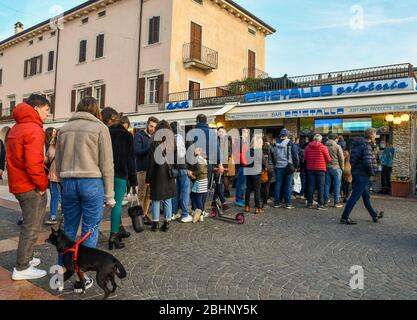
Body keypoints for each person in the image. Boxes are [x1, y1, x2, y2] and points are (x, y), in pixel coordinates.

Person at [55, 96, 115, 292]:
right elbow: (107, 165)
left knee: (68, 230)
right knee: (90, 229)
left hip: (69, 182)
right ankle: (83, 277)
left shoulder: (64, 129)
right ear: (96, 110)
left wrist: (64, 182)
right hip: (91, 181)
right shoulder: (100, 128)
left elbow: (58, 162)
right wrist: (110, 194)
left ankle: (61, 274)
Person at [7, 94, 49, 281]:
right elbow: (33, 163)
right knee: (31, 226)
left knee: (30, 224)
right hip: (29, 185)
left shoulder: (17, 127)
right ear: (37, 108)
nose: (48, 114)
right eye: (47, 109)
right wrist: (42, 184)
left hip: (18, 183)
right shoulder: (34, 129)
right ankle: (22, 267)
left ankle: (28, 258)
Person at [106, 109, 138, 250]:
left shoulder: (105, 132)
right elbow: (131, 160)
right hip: (120, 174)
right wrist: (134, 181)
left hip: (104, 173)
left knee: (111, 204)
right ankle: (113, 235)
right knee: (117, 204)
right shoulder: (126, 135)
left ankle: (117, 229)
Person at [340, 128, 384, 225]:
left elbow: (352, 161)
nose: (376, 136)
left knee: (366, 197)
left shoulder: (356, 146)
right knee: (354, 197)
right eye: (375, 134)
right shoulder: (366, 146)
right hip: (362, 175)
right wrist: (371, 172)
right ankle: (344, 217)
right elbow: (367, 162)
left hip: (356, 173)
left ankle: (374, 215)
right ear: (371, 135)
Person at [146, 120, 176, 232]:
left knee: (155, 200)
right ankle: (167, 223)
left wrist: (147, 179)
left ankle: (155, 223)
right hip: (168, 175)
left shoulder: (154, 143)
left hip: (157, 175)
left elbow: (151, 163)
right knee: (167, 199)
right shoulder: (172, 142)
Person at [194, 114, 224, 214]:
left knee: (195, 187)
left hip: (195, 163)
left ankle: (195, 209)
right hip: (208, 163)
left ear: (197, 121)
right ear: (206, 121)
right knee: (204, 187)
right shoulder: (212, 133)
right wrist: (219, 163)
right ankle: (201, 210)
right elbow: (216, 149)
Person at [134, 116, 158, 223]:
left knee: (149, 195)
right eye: (151, 126)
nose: (152, 128)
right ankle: (139, 217)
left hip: (152, 171)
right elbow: (137, 152)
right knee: (142, 194)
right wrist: (151, 147)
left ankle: (144, 214)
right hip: (142, 170)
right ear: (147, 125)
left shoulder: (154, 137)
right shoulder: (139, 136)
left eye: (154, 127)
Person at [171, 121, 193, 223]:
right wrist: (190, 168)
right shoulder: (185, 136)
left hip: (174, 168)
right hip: (184, 167)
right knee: (185, 192)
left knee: (175, 192)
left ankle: (174, 213)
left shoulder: (169, 137)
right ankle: (184, 214)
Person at [273, 128, 299, 209]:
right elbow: (295, 156)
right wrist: (296, 166)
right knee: (288, 185)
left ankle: (276, 202)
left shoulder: (275, 143)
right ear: (287, 135)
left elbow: (274, 155)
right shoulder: (290, 143)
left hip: (278, 166)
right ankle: (288, 203)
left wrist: (276, 164)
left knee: (278, 184)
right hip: (288, 166)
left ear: (280, 135)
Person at [304, 134, 331, 210]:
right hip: (321, 168)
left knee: (311, 186)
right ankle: (320, 204)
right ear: (320, 140)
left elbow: (305, 158)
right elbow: (328, 159)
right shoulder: (323, 147)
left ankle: (309, 203)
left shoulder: (307, 147)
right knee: (320, 187)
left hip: (310, 168)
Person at [245, 134, 265, 214]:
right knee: (257, 190)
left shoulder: (248, 151)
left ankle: (247, 206)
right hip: (256, 172)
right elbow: (263, 162)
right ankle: (257, 208)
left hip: (248, 171)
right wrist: (264, 167)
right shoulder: (259, 151)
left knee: (248, 189)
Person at [44, 128, 61, 225]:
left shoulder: (62, 146)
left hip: (60, 176)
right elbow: (47, 159)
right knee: (56, 197)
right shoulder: (52, 146)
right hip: (54, 176)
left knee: (60, 197)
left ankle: (60, 216)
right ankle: (54, 216)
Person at [324, 133, 345, 208]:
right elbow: (341, 158)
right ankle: (336, 202)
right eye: (337, 138)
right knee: (337, 185)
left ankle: (325, 202)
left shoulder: (325, 146)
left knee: (326, 185)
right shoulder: (337, 146)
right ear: (335, 139)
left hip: (326, 167)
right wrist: (342, 168)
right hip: (336, 167)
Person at [212, 127, 230, 210]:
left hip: (223, 164)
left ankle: (214, 200)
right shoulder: (215, 141)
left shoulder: (227, 142)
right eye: (219, 132)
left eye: (222, 132)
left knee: (219, 182)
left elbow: (229, 152)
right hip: (217, 165)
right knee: (219, 183)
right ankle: (223, 201)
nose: (220, 133)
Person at [189, 146, 208, 223]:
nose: (195, 150)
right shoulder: (203, 158)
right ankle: (199, 212)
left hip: (199, 181)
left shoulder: (198, 158)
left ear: (200, 151)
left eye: (197, 149)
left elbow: (200, 170)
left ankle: (200, 214)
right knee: (195, 196)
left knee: (198, 197)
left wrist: (192, 173)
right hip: (203, 180)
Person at [234, 128, 250, 207]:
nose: (247, 134)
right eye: (246, 132)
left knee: (242, 184)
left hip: (242, 165)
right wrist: (245, 163)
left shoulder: (242, 141)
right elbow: (240, 154)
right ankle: (239, 200)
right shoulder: (240, 141)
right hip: (242, 166)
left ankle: (240, 198)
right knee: (241, 184)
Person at [261, 136, 276, 208]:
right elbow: (274, 158)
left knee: (261, 185)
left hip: (261, 168)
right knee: (267, 185)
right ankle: (265, 202)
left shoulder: (260, 147)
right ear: (269, 140)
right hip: (269, 168)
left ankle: (260, 200)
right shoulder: (270, 147)